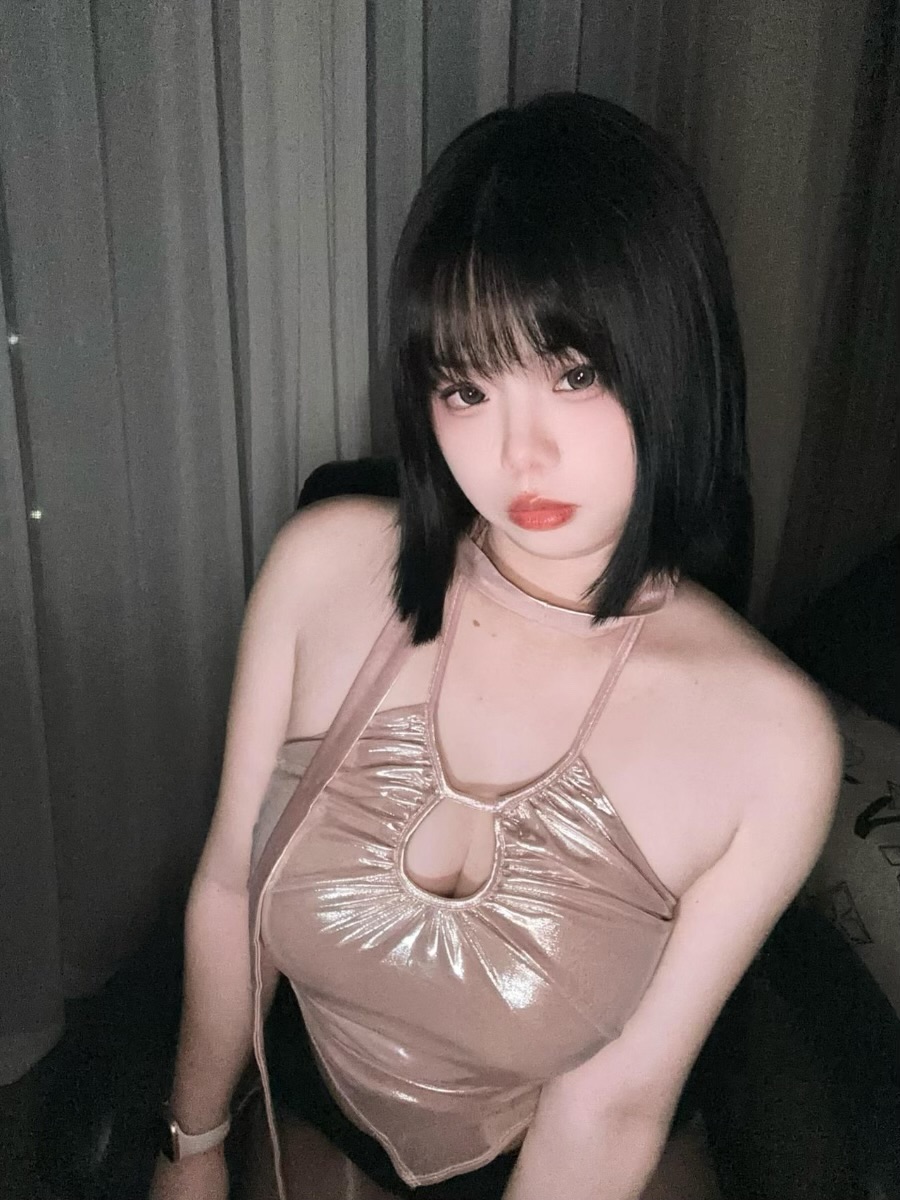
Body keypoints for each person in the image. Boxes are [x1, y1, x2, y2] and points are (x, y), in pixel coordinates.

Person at [149, 91, 841, 1200]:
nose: (522, 454)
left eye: (574, 372)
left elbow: (612, 1105)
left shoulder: (772, 741)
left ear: (673, 355)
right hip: (307, 1112)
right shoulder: (325, 572)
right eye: (467, 387)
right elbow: (232, 889)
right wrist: (189, 1148)